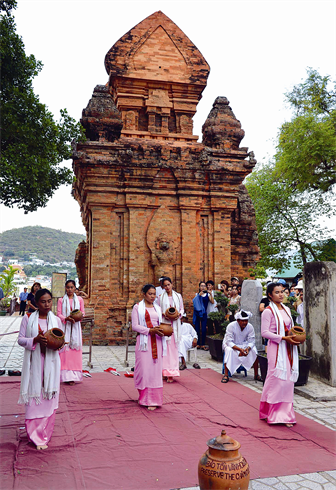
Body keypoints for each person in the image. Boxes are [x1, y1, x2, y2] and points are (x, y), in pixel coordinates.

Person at [18, 288, 63, 450]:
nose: (47, 304)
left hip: (51, 364)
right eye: (43, 301)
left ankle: (44, 434)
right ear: (36, 303)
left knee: (48, 399)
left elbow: (62, 344)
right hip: (34, 364)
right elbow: (21, 340)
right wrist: (35, 340)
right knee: (34, 398)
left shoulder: (56, 320)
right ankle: (34, 435)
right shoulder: (28, 318)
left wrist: (57, 345)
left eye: (49, 301)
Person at [259, 283, 300, 427]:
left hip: (288, 348)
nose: (281, 295)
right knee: (276, 379)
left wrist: (295, 337)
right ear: (270, 295)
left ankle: (285, 413)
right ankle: (273, 413)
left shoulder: (287, 309)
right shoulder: (268, 311)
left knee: (288, 381)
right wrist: (282, 338)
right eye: (277, 292)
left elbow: (290, 328)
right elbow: (264, 332)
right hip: (276, 348)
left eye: (282, 292)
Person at [131, 284, 166, 410]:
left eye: (154, 294)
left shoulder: (157, 307)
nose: (152, 296)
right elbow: (135, 326)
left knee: (155, 371)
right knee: (144, 370)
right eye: (150, 294)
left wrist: (162, 330)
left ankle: (154, 400)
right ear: (144, 294)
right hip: (144, 342)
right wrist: (149, 330)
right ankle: (144, 398)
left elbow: (160, 323)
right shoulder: (137, 308)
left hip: (157, 340)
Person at [57, 280, 85, 385]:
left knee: (74, 353)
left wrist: (79, 317)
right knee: (65, 352)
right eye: (68, 287)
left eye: (72, 287)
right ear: (65, 288)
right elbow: (59, 314)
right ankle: (65, 376)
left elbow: (83, 312)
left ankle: (73, 376)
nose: (69, 289)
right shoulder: (61, 300)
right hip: (65, 327)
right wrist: (66, 319)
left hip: (76, 328)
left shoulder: (80, 300)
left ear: (75, 288)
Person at [157, 276, 184, 383]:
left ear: (172, 284)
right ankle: (164, 372)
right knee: (164, 349)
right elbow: (158, 309)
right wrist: (163, 314)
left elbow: (181, 309)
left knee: (173, 350)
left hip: (175, 326)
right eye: (165, 285)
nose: (167, 287)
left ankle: (171, 374)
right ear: (162, 287)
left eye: (169, 285)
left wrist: (179, 315)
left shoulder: (178, 296)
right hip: (165, 325)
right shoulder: (160, 297)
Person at [221, 310, 260, 383]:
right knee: (229, 350)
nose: (245, 322)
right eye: (243, 321)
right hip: (231, 344)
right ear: (238, 320)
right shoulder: (231, 326)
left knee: (254, 350)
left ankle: (256, 374)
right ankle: (226, 375)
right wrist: (240, 350)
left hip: (244, 345)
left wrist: (247, 349)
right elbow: (229, 342)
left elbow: (251, 341)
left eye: (246, 320)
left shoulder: (250, 327)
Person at [193, 281, 214, 350]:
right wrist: (199, 295)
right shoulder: (197, 294)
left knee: (204, 329)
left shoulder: (207, 295)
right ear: (199, 287)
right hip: (197, 313)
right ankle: (198, 343)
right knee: (197, 329)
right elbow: (194, 302)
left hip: (204, 313)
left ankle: (203, 344)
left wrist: (210, 294)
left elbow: (212, 302)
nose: (203, 287)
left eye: (204, 286)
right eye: (201, 286)